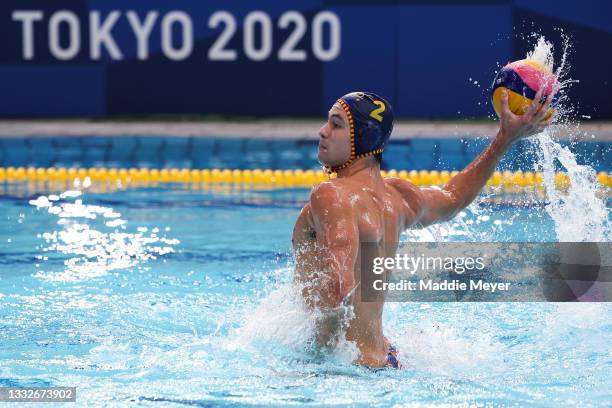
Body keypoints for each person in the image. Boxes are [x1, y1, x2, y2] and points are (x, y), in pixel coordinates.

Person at [291, 90, 554, 369]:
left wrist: (301, 364)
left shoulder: (330, 194)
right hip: (386, 358)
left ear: (362, 138)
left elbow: (337, 287)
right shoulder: (398, 197)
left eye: (336, 124)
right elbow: (454, 198)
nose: (323, 132)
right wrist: (504, 139)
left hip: (344, 368)